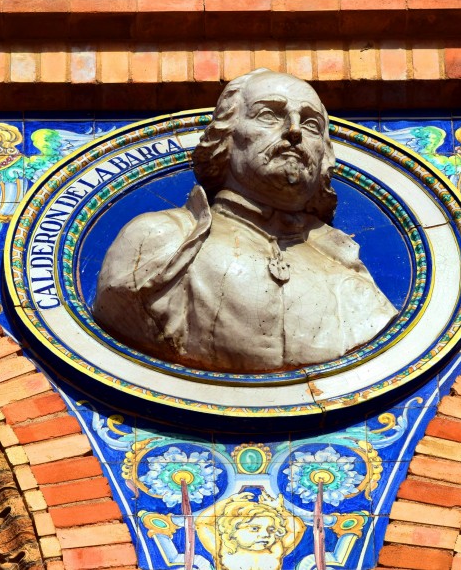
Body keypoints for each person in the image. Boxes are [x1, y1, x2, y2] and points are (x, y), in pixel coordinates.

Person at [93, 69, 397, 373]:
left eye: (311, 124)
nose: (294, 130)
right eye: (269, 115)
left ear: (324, 156)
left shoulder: (348, 269)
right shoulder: (160, 240)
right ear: (227, 135)